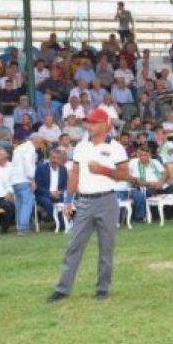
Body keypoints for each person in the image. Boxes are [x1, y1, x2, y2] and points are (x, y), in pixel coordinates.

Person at [48, 108, 129, 303]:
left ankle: (102, 288)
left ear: (104, 125)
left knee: (106, 247)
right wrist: (68, 200)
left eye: (93, 122)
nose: (89, 126)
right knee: (74, 246)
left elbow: (124, 174)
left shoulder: (116, 147)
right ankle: (63, 288)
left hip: (107, 200)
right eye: (88, 122)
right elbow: (74, 174)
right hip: (84, 201)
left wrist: (103, 170)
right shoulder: (81, 147)